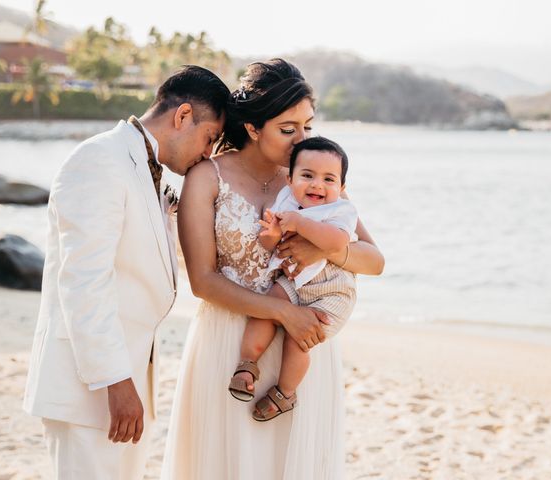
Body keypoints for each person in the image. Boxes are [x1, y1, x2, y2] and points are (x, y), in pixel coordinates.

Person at [162, 58, 384, 479]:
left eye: (308, 127)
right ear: (252, 128)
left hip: (302, 347)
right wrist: (285, 312)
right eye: (288, 129)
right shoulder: (206, 178)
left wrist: (326, 253)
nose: (302, 139)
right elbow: (202, 281)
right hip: (229, 342)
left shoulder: (311, 179)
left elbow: (374, 260)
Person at [23, 65, 229, 480]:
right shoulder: (100, 159)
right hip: (89, 389)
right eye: (209, 138)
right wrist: (116, 382)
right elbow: (83, 281)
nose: (208, 153)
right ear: (183, 116)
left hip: (129, 382)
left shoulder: (145, 169)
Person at [229, 136, 359, 423]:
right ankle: (247, 364)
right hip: (294, 279)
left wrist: (300, 223)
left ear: (342, 188)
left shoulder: (341, 210)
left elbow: (337, 242)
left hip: (331, 289)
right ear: (290, 179)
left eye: (329, 179)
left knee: (298, 336)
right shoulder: (285, 202)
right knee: (268, 305)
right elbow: (267, 244)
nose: (317, 185)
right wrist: (273, 235)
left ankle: (285, 393)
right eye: (307, 176)